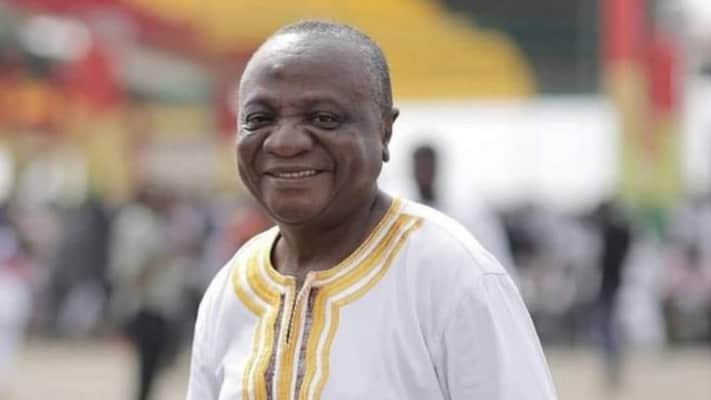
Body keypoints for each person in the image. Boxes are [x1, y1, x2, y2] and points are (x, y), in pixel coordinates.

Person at [187, 20, 557, 400]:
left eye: (324, 118)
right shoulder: (231, 290)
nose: (285, 142)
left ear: (384, 131)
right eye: (259, 119)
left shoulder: (451, 276)